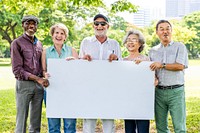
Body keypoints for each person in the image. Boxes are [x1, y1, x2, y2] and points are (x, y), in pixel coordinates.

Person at [79, 13, 122, 133]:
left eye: (103, 24)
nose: (99, 26)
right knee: (89, 123)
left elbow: (121, 66)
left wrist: (116, 59)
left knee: (109, 123)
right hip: (89, 88)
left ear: (108, 26)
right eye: (96, 24)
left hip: (109, 88)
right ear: (93, 26)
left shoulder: (114, 44)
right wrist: (83, 59)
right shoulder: (86, 42)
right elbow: (79, 66)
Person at [11, 15, 49, 133]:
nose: (31, 26)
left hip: (38, 86)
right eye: (28, 23)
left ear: (37, 26)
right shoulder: (16, 43)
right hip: (24, 85)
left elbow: (42, 65)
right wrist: (38, 79)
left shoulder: (40, 44)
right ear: (23, 25)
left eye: (34, 23)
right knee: (21, 119)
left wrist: (43, 77)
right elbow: (17, 70)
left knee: (35, 121)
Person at [149, 20, 188, 133]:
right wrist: (154, 78)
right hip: (159, 92)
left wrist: (162, 65)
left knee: (179, 127)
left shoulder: (180, 47)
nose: (165, 31)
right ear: (157, 32)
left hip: (176, 92)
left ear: (171, 31)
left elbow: (180, 66)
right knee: (161, 128)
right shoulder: (152, 51)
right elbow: (151, 71)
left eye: (167, 28)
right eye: (161, 29)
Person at [41, 23, 78, 133]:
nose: (59, 35)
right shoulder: (45, 52)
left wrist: (75, 62)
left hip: (69, 91)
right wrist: (45, 74)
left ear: (65, 37)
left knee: (70, 125)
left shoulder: (72, 51)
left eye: (62, 33)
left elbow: (79, 71)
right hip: (52, 90)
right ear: (52, 35)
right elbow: (43, 70)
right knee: (53, 125)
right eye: (56, 33)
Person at [122, 29, 150, 133]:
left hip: (142, 102)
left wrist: (142, 65)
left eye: (134, 40)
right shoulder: (122, 61)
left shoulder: (146, 60)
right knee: (129, 130)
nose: (130, 42)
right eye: (128, 40)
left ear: (140, 44)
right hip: (127, 101)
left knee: (143, 130)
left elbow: (154, 80)